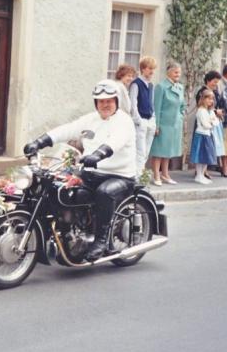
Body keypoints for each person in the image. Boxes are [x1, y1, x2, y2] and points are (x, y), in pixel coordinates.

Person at [23, 79, 136, 261]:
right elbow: (67, 130)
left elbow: (116, 141)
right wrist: (39, 142)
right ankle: (64, 233)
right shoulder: (91, 119)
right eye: (101, 101)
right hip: (91, 173)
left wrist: (98, 155)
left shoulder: (124, 121)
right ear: (96, 103)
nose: (105, 104)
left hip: (119, 175)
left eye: (109, 100)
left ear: (116, 101)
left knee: (104, 193)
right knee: (58, 189)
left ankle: (101, 241)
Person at [150, 61, 185, 186]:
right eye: (175, 72)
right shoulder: (161, 87)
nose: (178, 74)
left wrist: (181, 116)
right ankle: (156, 175)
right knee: (159, 151)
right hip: (163, 124)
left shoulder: (180, 87)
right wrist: (157, 125)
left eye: (179, 72)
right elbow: (156, 107)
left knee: (168, 151)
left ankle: (165, 174)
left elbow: (182, 105)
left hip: (175, 124)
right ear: (168, 72)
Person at [129, 56, 157, 177]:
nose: (152, 72)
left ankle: (140, 175)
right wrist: (138, 121)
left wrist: (154, 119)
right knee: (140, 151)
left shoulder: (151, 85)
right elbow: (133, 103)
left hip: (150, 120)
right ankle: (137, 177)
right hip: (141, 121)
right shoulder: (136, 84)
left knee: (146, 152)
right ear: (143, 69)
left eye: (153, 69)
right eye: (150, 69)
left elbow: (152, 102)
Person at [196, 70, 224, 177]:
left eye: (217, 82)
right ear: (208, 80)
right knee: (203, 147)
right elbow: (202, 105)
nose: (215, 84)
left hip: (212, 121)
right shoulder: (202, 92)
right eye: (214, 81)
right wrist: (216, 112)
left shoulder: (214, 92)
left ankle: (204, 170)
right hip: (204, 122)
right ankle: (200, 171)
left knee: (210, 146)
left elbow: (217, 104)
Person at [190, 89, 218, 185]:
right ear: (203, 99)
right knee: (200, 156)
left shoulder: (210, 111)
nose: (211, 101)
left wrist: (212, 121)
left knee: (206, 156)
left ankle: (202, 174)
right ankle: (198, 175)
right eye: (208, 99)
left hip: (208, 135)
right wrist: (212, 122)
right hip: (201, 135)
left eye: (212, 99)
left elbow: (216, 122)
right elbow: (205, 125)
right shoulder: (201, 111)